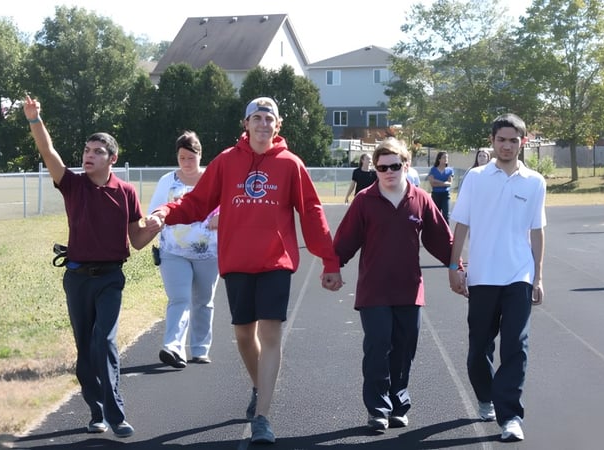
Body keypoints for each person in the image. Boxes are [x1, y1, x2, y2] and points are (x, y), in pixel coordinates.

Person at [144, 97, 344, 444]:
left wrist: (329, 260)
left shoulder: (290, 164)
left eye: (270, 119)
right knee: (242, 335)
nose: (263, 124)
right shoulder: (226, 161)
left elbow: (311, 212)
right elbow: (197, 202)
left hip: (274, 264)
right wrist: (165, 212)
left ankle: (263, 418)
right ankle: (259, 385)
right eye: (257, 118)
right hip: (236, 263)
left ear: (277, 125)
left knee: (270, 334)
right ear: (246, 123)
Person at [23, 94, 158, 438]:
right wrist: (34, 119)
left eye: (97, 151)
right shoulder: (72, 185)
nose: (89, 155)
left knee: (105, 341)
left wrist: (157, 225)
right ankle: (95, 411)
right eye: (86, 150)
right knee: (85, 346)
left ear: (112, 159)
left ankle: (116, 414)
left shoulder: (126, 192)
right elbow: (48, 153)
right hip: (77, 278)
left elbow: (137, 241)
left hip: (111, 278)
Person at [333, 137, 454, 432]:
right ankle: (377, 408)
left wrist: (457, 266)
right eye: (382, 167)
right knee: (378, 347)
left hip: (409, 289)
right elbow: (345, 239)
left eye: (395, 166)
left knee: (404, 350)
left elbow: (441, 239)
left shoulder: (420, 199)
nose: (388, 171)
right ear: (375, 168)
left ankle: (399, 405)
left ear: (406, 166)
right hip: (373, 289)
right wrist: (332, 267)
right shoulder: (364, 200)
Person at [447, 113, 546, 443]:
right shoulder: (475, 178)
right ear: (492, 141)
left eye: (513, 140)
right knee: (479, 348)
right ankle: (486, 396)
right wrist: (454, 267)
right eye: (501, 139)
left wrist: (538, 277)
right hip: (482, 276)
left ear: (523, 142)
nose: (506, 145)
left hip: (519, 275)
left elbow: (537, 230)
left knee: (516, 344)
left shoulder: (535, 182)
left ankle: (511, 415)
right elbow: (461, 223)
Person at [148, 131, 219, 369]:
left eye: (191, 157)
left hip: (208, 252)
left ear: (200, 155)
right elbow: (155, 210)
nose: (187, 163)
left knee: (203, 301)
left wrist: (223, 218)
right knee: (179, 298)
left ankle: (200, 349)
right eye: (182, 158)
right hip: (173, 251)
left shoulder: (213, 178)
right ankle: (173, 347)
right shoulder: (167, 181)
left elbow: (231, 205)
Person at [426, 151, 454, 220]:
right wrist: (444, 183)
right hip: (436, 194)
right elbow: (432, 183)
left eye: (447, 157)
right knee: (435, 214)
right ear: (439, 159)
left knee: (445, 215)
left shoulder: (450, 170)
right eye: (444, 157)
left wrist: (437, 182)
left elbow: (449, 183)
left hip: (445, 195)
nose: (446, 159)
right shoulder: (433, 170)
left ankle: (445, 230)